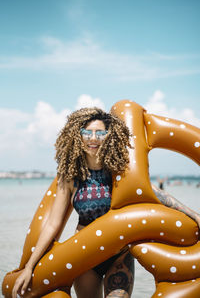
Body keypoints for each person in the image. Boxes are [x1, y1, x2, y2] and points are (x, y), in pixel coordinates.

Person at [12, 107, 200, 298]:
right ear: (78, 136)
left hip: (118, 255)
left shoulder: (119, 170)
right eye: (87, 132)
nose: (93, 138)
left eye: (100, 133)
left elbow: (155, 194)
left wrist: (195, 216)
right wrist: (29, 267)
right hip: (84, 255)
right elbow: (53, 224)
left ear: (108, 136)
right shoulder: (70, 177)